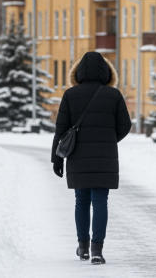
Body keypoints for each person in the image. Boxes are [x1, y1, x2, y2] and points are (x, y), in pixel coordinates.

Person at [51, 52, 131, 265]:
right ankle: (97, 249)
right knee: (100, 202)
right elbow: (125, 125)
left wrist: (56, 159)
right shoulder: (113, 95)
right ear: (106, 72)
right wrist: (108, 139)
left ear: (78, 72)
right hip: (105, 157)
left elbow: (61, 130)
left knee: (81, 201)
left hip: (77, 156)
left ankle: (83, 247)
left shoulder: (70, 94)